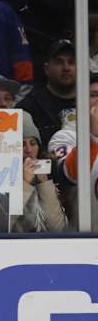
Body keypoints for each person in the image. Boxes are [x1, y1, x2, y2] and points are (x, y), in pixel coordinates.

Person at [48, 73, 98, 230]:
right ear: (79, 101)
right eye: (94, 95)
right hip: (86, 240)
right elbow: (68, 175)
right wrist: (93, 135)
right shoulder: (65, 137)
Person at [11, 111, 68, 233]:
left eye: (33, 143)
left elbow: (58, 228)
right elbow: (2, 224)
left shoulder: (48, 176)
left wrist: (44, 183)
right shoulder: (1, 178)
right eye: (22, 144)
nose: (29, 150)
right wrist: (25, 182)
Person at [16, 39, 76, 148]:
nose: (66, 68)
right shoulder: (29, 107)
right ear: (46, 69)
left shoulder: (91, 102)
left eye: (71, 62)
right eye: (59, 62)